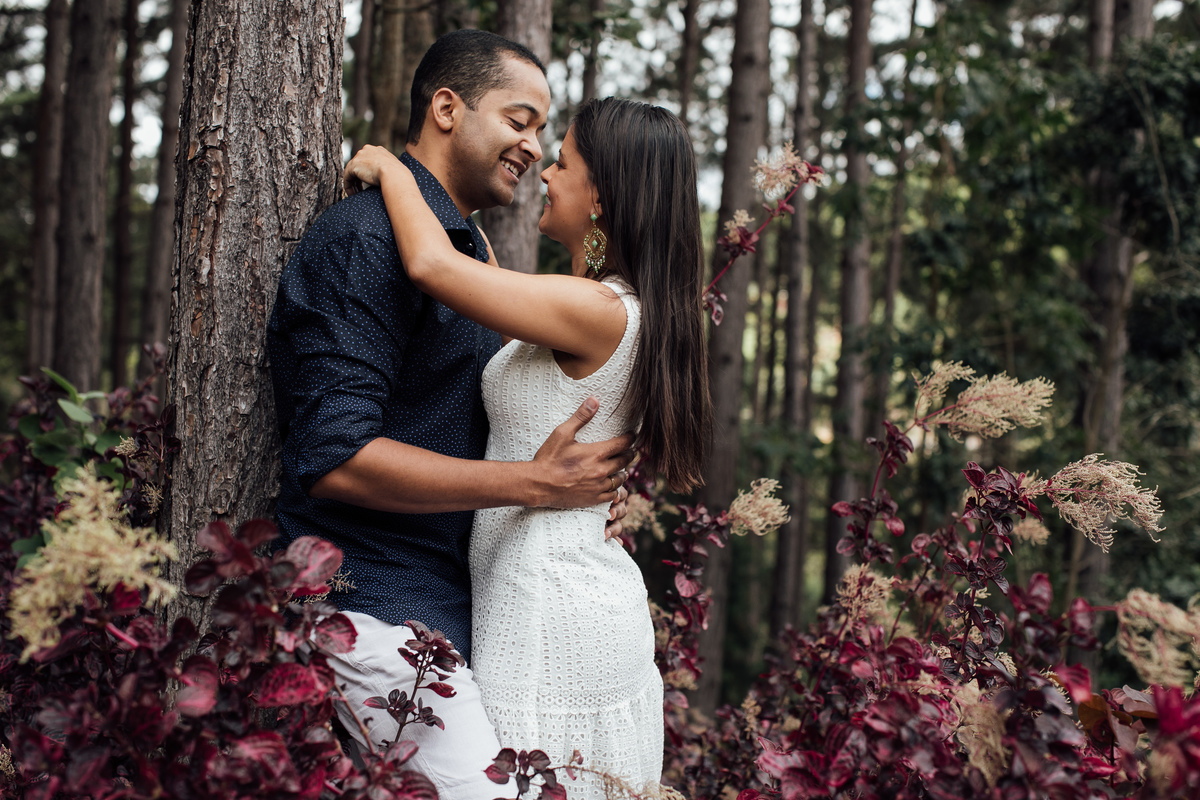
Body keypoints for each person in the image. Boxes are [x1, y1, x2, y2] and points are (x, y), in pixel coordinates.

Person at [266, 30, 635, 800]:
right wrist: (532, 484)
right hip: (371, 603)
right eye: (520, 120)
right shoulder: (366, 239)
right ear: (445, 107)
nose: (534, 148)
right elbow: (335, 457)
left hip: (462, 610)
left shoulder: (459, 255)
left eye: (544, 135)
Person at [343, 95, 712, 796]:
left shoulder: (597, 310)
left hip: (546, 611)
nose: (546, 171)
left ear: (601, 195)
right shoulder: (597, 302)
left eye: (565, 162)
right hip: (552, 587)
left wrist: (391, 168)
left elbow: (430, 266)